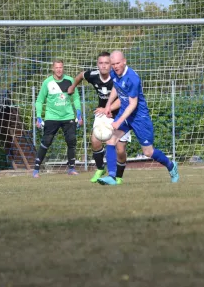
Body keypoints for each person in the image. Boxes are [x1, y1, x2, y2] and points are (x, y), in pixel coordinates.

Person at [97, 50, 179, 185]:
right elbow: (116, 88)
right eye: (113, 64)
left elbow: (133, 104)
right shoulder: (114, 73)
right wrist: (108, 105)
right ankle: (112, 176)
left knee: (148, 152)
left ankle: (171, 166)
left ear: (124, 61)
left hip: (139, 118)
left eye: (118, 63)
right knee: (111, 140)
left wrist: (118, 121)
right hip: (126, 113)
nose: (115, 66)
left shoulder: (132, 78)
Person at [68, 51, 130, 184]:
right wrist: (73, 86)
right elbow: (80, 75)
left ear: (111, 64)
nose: (103, 66)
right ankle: (101, 169)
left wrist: (107, 108)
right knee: (95, 140)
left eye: (107, 63)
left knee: (120, 150)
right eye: (101, 63)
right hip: (103, 113)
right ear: (97, 64)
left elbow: (122, 99)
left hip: (120, 114)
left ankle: (118, 176)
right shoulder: (93, 75)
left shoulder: (117, 77)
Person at [34, 59, 82, 177]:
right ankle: (36, 169)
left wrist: (79, 113)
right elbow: (40, 100)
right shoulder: (47, 83)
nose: (59, 70)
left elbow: (75, 98)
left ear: (63, 68)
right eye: (57, 67)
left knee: (71, 141)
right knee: (47, 141)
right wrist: (38, 117)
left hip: (68, 116)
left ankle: (71, 168)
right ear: (53, 69)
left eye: (61, 67)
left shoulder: (70, 80)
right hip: (52, 116)